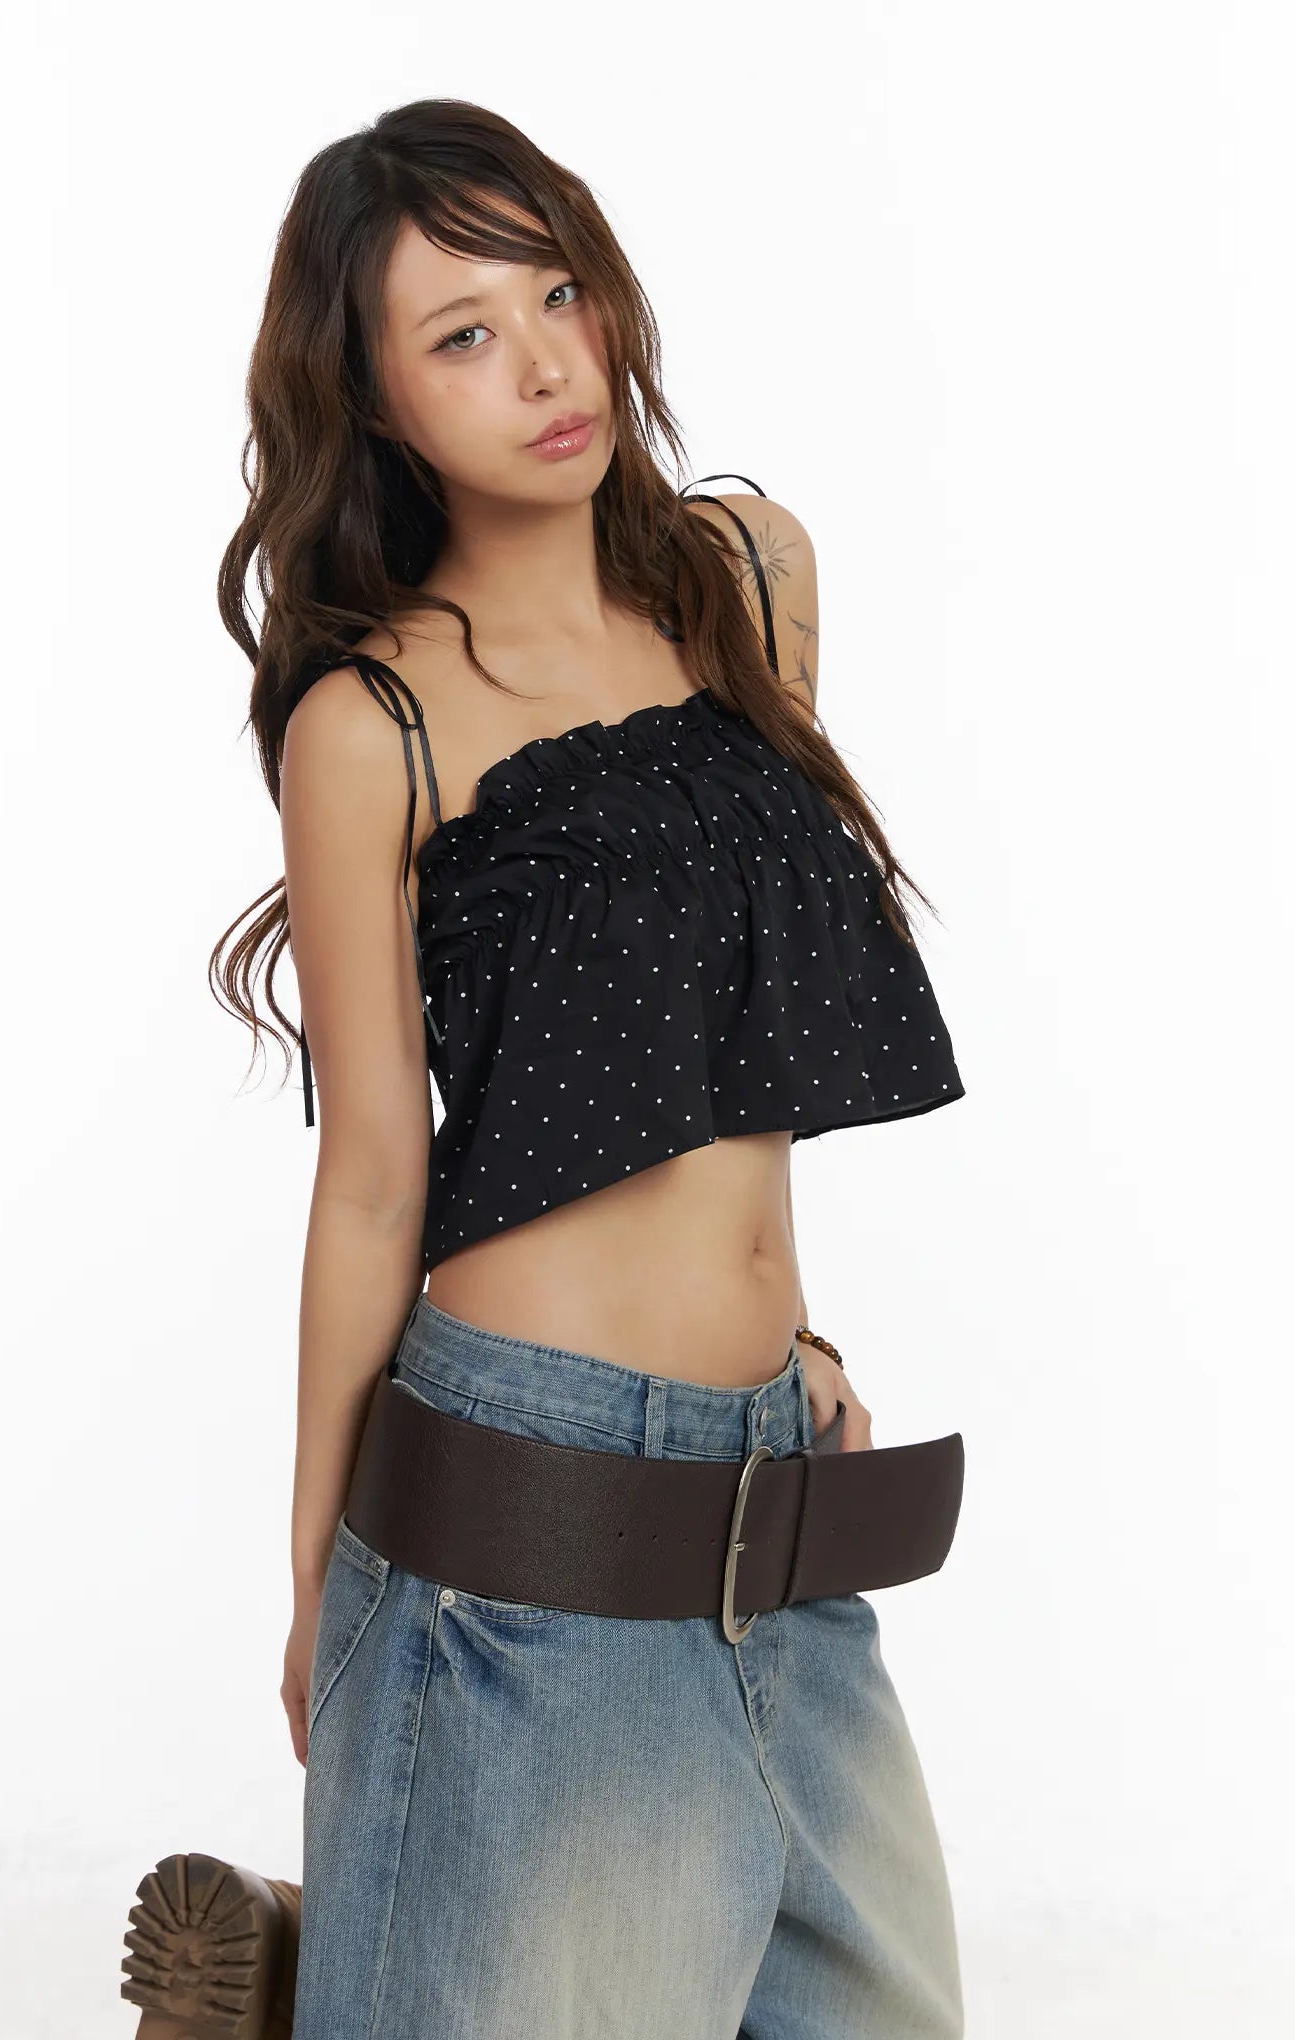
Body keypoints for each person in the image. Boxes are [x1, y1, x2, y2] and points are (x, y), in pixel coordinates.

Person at [210, 97, 968, 2040]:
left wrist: (792, 1333)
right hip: (524, 1526)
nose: (548, 364)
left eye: (558, 293)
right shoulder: (372, 722)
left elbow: (740, 1027)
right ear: (376, 403)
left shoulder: (746, 581)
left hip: (782, 1522)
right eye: (463, 333)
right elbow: (372, 1177)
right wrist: (318, 1590)